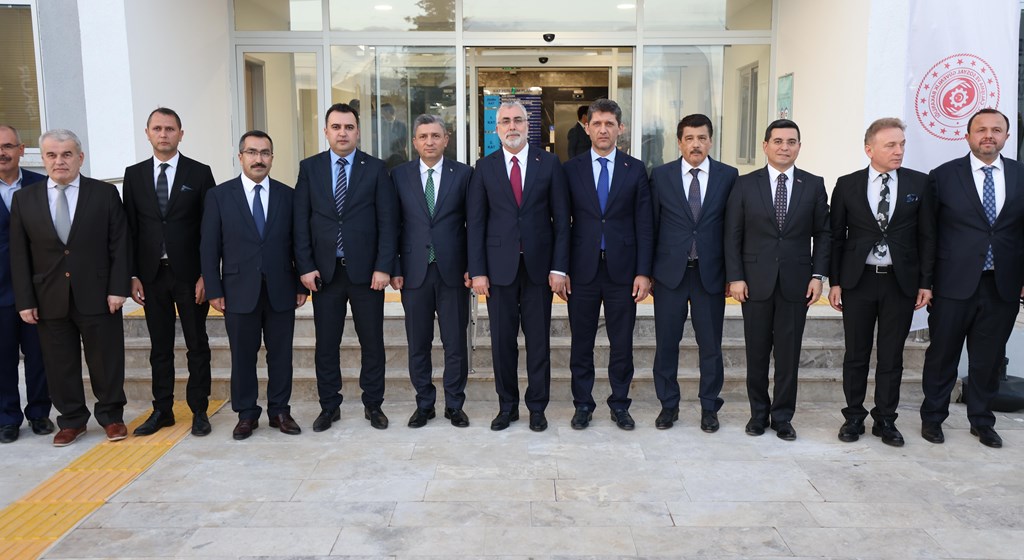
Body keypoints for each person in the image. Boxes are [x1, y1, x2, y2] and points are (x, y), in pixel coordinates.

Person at [9, 129, 130, 447]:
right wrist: (25, 300)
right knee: (59, 363)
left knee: (106, 360)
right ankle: (72, 420)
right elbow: (19, 255)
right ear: (43, 158)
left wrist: (118, 288)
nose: (59, 161)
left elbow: (120, 244)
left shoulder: (104, 194)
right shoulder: (25, 199)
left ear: (80, 157)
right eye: (51, 155)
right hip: (48, 296)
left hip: (99, 294)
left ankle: (111, 416)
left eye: (66, 154)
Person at [920, 108, 1024, 449]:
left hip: (1002, 284)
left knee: (988, 359)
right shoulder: (943, 176)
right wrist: (926, 281)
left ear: (1007, 136)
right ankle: (933, 418)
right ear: (967, 136)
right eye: (981, 129)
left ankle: (982, 421)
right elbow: (929, 234)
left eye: (996, 129)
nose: (988, 135)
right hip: (952, 283)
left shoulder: (1021, 175)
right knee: (943, 355)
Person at [828, 118, 935, 447]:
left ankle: (886, 419)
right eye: (890, 145)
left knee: (892, 356)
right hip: (858, 282)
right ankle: (853, 417)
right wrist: (835, 282)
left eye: (902, 144)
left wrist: (925, 283)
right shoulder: (847, 184)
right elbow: (836, 237)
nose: (898, 151)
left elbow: (928, 236)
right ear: (869, 149)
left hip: (899, 283)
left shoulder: (920, 183)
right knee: (856, 354)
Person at [294, 103, 399, 431]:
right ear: (326, 131)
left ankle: (373, 404)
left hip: (367, 275)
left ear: (358, 132)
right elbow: (300, 221)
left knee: (372, 342)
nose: (343, 133)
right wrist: (305, 266)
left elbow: (388, 221)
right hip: (324, 275)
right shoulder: (310, 168)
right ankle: (329, 406)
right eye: (336, 127)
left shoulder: (376, 168)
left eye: (349, 127)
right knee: (326, 344)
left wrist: (383, 266)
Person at [467, 100, 570, 432]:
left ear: (528, 125)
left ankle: (537, 408)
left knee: (538, 342)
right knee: (502, 343)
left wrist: (559, 268)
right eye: (505, 121)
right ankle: (507, 406)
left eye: (518, 120)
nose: (512, 126)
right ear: (496, 129)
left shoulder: (549, 163)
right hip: (499, 271)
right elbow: (476, 223)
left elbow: (562, 221)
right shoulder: (484, 167)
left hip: (539, 270)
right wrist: (478, 271)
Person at [724, 119, 830, 441]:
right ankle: (758, 414)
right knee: (756, 353)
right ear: (765, 145)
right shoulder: (744, 184)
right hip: (754, 283)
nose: (785, 147)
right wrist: (735, 277)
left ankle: (783, 417)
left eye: (791, 142)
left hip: (796, 284)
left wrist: (818, 276)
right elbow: (732, 234)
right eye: (779, 141)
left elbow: (823, 234)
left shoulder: (813, 184)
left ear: (799, 146)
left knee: (788, 355)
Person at [200, 131, 307, 440]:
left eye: (264, 153)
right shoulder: (219, 196)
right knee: (243, 356)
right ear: (240, 157)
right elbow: (209, 247)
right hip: (237, 291)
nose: (258, 159)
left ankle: (280, 411)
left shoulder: (288, 195)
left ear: (272, 158)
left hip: (281, 289)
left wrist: (301, 283)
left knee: (281, 355)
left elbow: (298, 242)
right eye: (252, 152)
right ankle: (246, 414)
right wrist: (214, 289)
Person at [122, 108, 216, 437]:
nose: (164, 134)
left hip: (189, 275)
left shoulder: (199, 173)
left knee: (197, 344)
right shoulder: (133, 175)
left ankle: (200, 410)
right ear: (147, 133)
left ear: (181, 134)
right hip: (152, 275)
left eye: (170, 129)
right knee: (159, 347)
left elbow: (210, 228)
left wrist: (207, 274)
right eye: (158, 128)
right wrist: (133, 274)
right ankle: (162, 409)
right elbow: (130, 229)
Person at [563, 99, 652, 430]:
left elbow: (645, 224)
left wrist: (644, 272)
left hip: (623, 272)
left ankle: (620, 405)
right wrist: (561, 269)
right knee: (581, 343)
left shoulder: (635, 169)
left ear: (620, 128)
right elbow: (561, 225)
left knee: (622, 343)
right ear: (587, 128)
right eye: (597, 124)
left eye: (609, 124)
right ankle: (583, 405)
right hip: (581, 270)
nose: (603, 130)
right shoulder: (570, 169)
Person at [649, 114, 738, 431]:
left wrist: (733, 273)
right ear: (679, 142)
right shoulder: (661, 176)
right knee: (666, 344)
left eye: (701, 138)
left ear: (711, 141)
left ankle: (710, 407)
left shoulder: (729, 176)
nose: (696, 144)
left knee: (711, 346)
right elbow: (651, 226)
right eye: (689, 138)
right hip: (669, 275)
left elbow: (733, 229)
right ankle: (668, 406)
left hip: (710, 275)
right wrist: (647, 272)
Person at [390, 115, 473, 428]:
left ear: (446, 139)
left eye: (435, 136)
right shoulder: (399, 175)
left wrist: (473, 267)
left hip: (453, 272)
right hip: (413, 273)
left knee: (455, 343)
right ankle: (424, 403)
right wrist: (394, 267)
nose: (429, 142)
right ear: (414, 142)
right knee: (418, 343)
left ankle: (454, 404)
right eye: (423, 136)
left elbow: (473, 224)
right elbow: (392, 225)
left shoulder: (463, 174)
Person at [0, 124, 52, 444]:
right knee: (3, 359)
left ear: (21, 150)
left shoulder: (42, 185)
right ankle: (7, 418)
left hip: (38, 288)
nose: (2, 153)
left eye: (8, 146)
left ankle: (39, 412)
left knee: (40, 355)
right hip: (0, 292)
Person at [381, 103, 409, 168]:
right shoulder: (382, 125)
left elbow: (403, 143)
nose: (381, 114)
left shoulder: (401, 125)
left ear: (388, 112)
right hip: (385, 157)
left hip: (398, 158)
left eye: (382, 112)